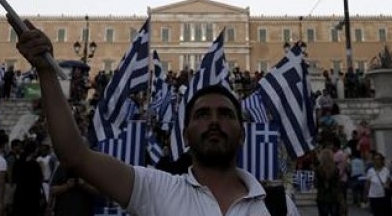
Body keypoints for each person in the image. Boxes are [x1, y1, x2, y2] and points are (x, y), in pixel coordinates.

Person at [15, 22, 299, 215]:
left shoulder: (279, 206)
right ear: (186, 133)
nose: (214, 121)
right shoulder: (157, 189)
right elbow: (75, 155)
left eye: (226, 114)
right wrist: (46, 72)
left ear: (243, 132)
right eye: (202, 114)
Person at [315, 148, 342, 216]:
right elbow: (337, 184)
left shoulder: (318, 169)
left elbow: (316, 184)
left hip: (322, 196)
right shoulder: (336, 169)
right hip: (334, 197)